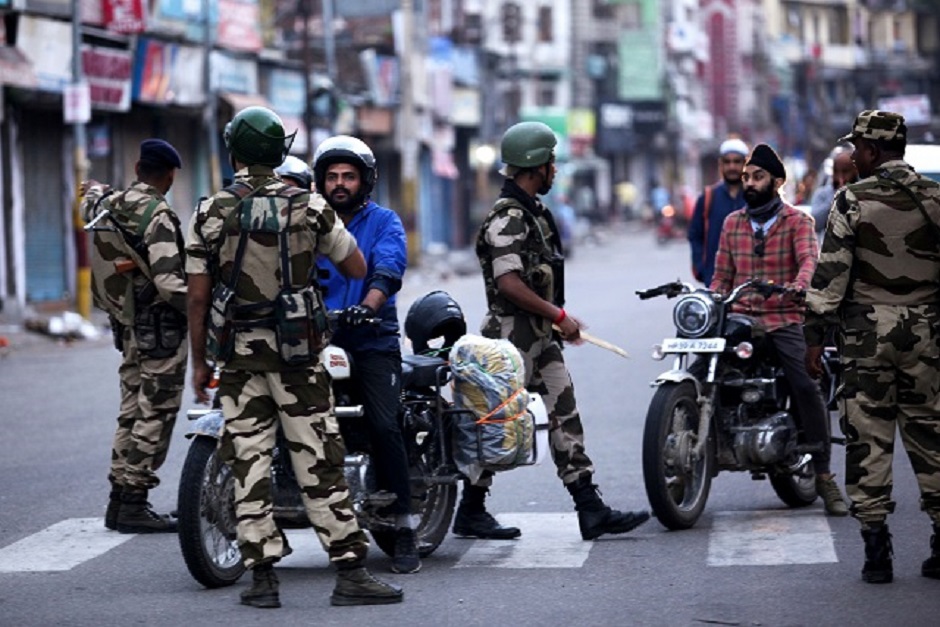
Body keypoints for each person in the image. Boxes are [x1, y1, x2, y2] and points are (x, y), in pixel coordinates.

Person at [185, 106, 402, 608]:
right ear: (281, 152)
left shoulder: (209, 211)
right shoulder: (309, 205)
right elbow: (354, 262)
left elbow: (196, 297)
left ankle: (262, 579)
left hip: (238, 358)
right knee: (318, 458)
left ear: (235, 152)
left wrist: (200, 364)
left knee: (250, 463)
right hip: (299, 356)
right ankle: (349, 572)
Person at [468, 120, 650, 541]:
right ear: (537, 167)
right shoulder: (507, 218)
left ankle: (590, 508)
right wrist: (558, 314)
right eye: (552, 163)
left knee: (563, 413)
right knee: (497, 422)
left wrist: (554, 320)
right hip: (510, 339)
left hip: (539, 335)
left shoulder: (532, 213)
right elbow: (509, 282)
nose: (555, 170)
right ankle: (470, 508)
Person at [804, 110, 940, 584]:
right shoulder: (935, 197)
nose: (855, 156)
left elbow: (830, 277)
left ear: (872, 150)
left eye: (858, 148)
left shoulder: (851, 200)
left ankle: (877, 550)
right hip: (927, 336)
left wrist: (814, 338)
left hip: (866, 339)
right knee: (931, 435)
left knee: (868, 438)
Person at [710, 143, 848, 518]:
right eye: (746, 177)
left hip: (785, 316)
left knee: (805, 384)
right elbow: (722, 276)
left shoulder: (798, 222)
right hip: (741, 318)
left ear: (777, 181)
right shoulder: (732, 223)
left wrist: (801, 285)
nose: (750, 183)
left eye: (758, 177)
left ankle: (823, 474)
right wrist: (712, 301)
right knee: (704, 368)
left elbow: (809, 260)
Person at [311, 135, 418, 574]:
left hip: (371, 339)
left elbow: (388, 268)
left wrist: (367, 307)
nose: (339, 184)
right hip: (316, 341)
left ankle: (406, 523)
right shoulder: (308, 220)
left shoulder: (385, 221)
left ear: (365, 181)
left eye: (348, 176)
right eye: (332, 176)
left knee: (382, 422)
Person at [80, 139, 188, 534]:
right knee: (155, 412)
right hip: (159, 328)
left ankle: (118, 499)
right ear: (169, 175)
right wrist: (201, 309)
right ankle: (135, 502)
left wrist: (94, 187)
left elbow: (89, 199)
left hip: (126, 322)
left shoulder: (107, 205)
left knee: (130, 409)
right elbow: (169, 283)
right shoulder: (157, 214)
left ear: (138, 168)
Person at [688, 137, 749, 285]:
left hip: (749, 281)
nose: (732, 167)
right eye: (727, 162)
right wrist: (701, 268)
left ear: (745, 164)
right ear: (720, 165)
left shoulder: (755, 196)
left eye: (737, 162)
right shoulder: (709, 197)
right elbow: (695, 235)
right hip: (715, 280)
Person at [809, 144, 858, 236]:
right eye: (836, 171)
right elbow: (815, 223)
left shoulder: (863, 194)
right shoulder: (823, 194)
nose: (840, 177)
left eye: (845, 171)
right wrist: (836, 199)